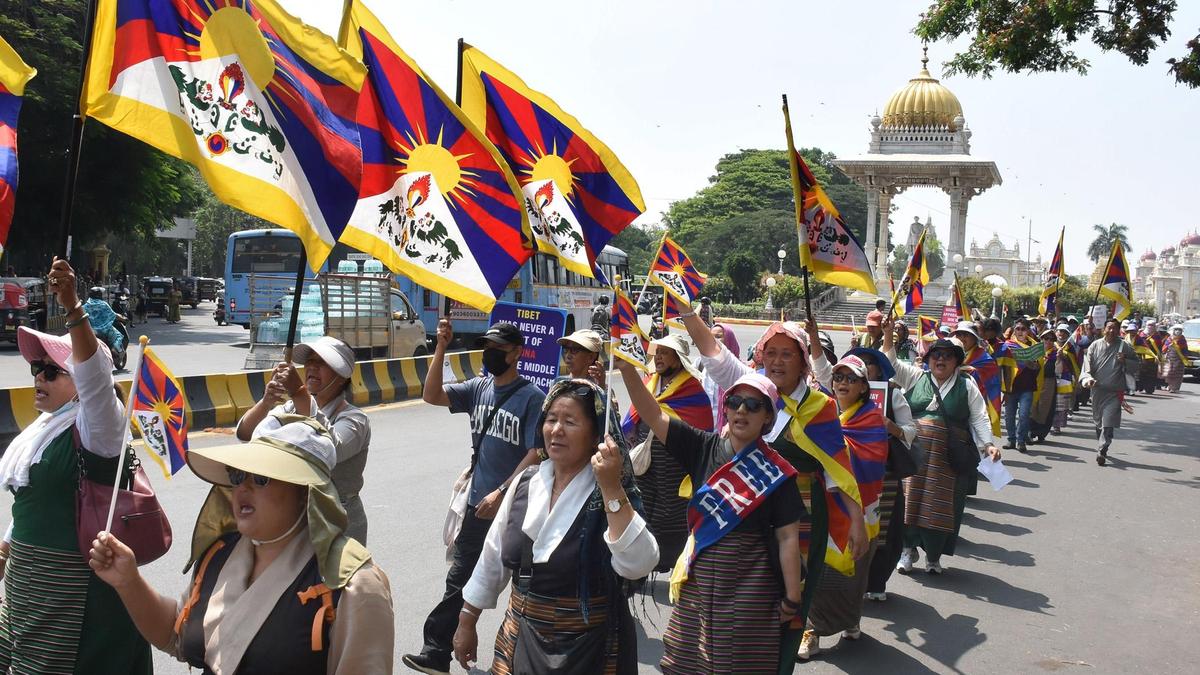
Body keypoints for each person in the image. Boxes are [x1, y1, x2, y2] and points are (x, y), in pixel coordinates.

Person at [89, 419, 395, 673]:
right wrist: (128, 581)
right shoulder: (220, 554)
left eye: (261, 478)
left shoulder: (352, 584)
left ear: (307, 493)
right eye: (238, 476)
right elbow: (176, 633)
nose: (243, 488)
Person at [678, 312, 865, 671]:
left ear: (803, 360)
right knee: (738, 599)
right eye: (771, 352)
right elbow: (714, 354)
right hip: (741, 513)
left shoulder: (820, 408)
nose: (776, 361)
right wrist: (688, 314)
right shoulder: (750, 388)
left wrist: (856, 520)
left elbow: (837, 470)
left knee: (786, 602)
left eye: (787, 353)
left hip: (801, 520)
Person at [0, 257, 151, 673]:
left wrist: (70, 304)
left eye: (52, 371)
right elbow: (36, 493)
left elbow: (96, 378)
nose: (39, 379)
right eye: (36, 369)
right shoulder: (47, 428)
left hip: (73, 594)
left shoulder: (99, 426)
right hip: (29, 584)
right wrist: (7, 547)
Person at [453, 379, 658, 673]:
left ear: (595, 435)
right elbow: (492, 558)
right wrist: (467, 619)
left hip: (589, 652)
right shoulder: (525, 483)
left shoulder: (609, 492)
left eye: (570, 421)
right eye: (551, 419)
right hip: (521, 639)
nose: (557, 430)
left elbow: (640, 563)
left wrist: (611, 488)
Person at [619, 362, 805, 675]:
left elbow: (787, 537)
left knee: (740, 665)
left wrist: (792, 597)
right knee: (688, 660)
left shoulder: (777, 472)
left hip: (752, 583)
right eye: (734, 402)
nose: (741, 411)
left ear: (768, 417)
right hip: (701, 579)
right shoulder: (702, 447)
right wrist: (626, 369)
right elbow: (653, 414)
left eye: (753, 405)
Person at [404, 320, 546, 675]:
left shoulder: (533, 398)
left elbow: (536, 451)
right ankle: (436, 653)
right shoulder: (478, 388)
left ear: (517, 353)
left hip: (516, 510)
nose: (490, 354)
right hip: (477, 507)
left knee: (524, 588)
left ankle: (521, 659)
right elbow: (431, 394)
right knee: (459, 581)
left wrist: (503, 491)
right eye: (487, 347)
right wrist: (440, 346)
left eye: (498, 348)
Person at [883, 324, 1001, 575]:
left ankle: (934, 557)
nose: (941, 360)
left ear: (956, 362)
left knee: (942, 505)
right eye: (936, 355)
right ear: (929, 359)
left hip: (949, 459)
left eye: (947, 356)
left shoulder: (967, 385)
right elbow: (890, 362)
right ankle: (906, 550)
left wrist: (988, 444)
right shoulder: (916, 376)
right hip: (914, 454)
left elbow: (979, 417)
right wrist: (887, 333)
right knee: (908, 501)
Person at [237, 336, 372, 543]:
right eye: (310, 361)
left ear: (342, 375)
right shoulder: (291, 408)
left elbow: (331, 448)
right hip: (296, 518)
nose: (312, 368)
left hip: (339, 520)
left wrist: (299, 393)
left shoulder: (355, 419)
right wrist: (266, 402)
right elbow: (245, 434)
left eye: (322, 363)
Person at [799, 356, 889, 660]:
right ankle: (813, 631)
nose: (842, 384)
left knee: (856, 572)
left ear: (864, 386)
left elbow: (868, 459)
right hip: (826, 507)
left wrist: (832, 448)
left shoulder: (871, 421)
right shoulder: (828, 414)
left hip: (862, 511)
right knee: (821, 573)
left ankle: (851, 619)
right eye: (838, 378)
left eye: (851, 379)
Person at [620, 334, 713, 572]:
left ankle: (671, 561)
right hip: (644, 460)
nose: (658, 357)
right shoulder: (649, 383)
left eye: (664, 352)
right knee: (640, 506)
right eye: (656, 352)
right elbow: (635, 415)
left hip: (674, 464)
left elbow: (698, 431)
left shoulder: (693, 391)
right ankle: (640, 561)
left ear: (677, 358)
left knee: (671, 513)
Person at [851, 348, 918, 603]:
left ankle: (876, 581)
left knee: (883, 529)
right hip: (850, 472)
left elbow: (911, 431)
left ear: (879, 370)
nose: (864, 368)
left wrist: (891, 427)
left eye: (870, 364)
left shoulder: (894, 395)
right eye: (860, 363)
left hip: (885, 473)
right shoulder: (841, 393)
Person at [1080, 319, 1139, 466]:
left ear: (1119, 330)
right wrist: (1088, 379)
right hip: (1097, 391)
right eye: (1109, 328)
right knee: (1099, 422)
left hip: (1114, 392)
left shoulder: (1124, 346)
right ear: (1104, 329)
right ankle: (1104, 441)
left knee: (1108, 421)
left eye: (1115, 328)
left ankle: (1102, 449)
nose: (1111, 331)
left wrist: (1125, 360)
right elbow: (1087, 365)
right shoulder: (1095, 345)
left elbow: (1137, 364)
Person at [1002, 318, 1039, 453]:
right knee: (1009, 416)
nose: (1020, 331)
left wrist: (1033, 365)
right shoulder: (1008, 345)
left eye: (1023, 329)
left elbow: (1039, 366)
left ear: (1028, 331)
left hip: (1027, 386)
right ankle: (1011, 439)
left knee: (1024, 415)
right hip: (1011, 386)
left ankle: (1021, 440)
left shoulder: (1034, 345)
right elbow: (1002, 365)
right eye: (1017, 329)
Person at [1027, 329, 1063, 443]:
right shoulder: (1035, 351)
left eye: (1051, 339)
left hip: (1048, 383)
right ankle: (1029, 431)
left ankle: (1041, 433)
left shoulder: (1056, 353)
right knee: (1032, 406)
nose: (1048, 341)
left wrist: (1059, 358)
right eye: (1045, 338)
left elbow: (1059, 371)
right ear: (1041, 339)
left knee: (1045, 408)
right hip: (1034, 381)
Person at [83, 285, 127, 355]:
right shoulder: (103, 304)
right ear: (99, 295)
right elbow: (113, 315)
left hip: (91, 330)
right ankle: (114, 349)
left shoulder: (85, 306)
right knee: (119, 336)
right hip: (105, 330)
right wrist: (123, 319)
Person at [1161, 325, 1192, 393]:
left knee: (1177, 374)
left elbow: (1185, 350)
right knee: (1169, 373)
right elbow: (1164, 348)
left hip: (1179, 359)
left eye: (1179, 330)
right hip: (1169, 358)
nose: (1177, 331)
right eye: (1176, 330)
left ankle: (1175, 388)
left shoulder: (1182, 340)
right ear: (1173, 331)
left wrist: (1185, 358)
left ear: (1181, 331)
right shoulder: (1169, 338)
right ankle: (1170, 385)